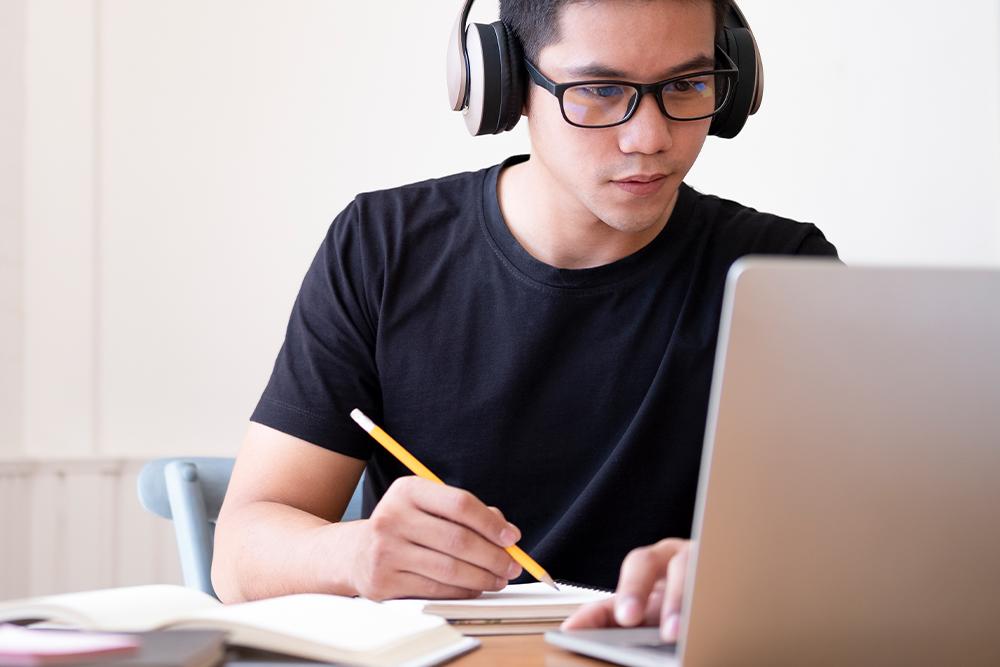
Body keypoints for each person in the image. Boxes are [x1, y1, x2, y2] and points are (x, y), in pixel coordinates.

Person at [211, 0, 838, 624]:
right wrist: (352, 553)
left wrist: (744, 573)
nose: (649, 137)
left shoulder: (783, 270)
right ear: (506, 84)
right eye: (598, 89)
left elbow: (862, 535)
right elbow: (239, 555)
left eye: (687, 84)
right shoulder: (382, 245)